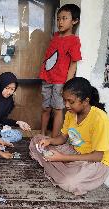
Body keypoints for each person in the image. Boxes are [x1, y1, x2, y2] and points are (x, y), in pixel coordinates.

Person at [29, 77, 109, 195]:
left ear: (85, 101)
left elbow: (98, 156)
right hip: (75, 151)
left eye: (71, 102)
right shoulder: (71, 113)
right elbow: (63, 138)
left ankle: (59, 167)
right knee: (37, 140)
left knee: (70, 182)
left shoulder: (100, 119)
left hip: (96, 163)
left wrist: (62, 157)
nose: (66, 105)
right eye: (65, 100)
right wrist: (49, 141)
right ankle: (60, 166)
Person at [39, 4, 82, 137]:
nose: (60, 22)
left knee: (58, 110)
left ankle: (54, 138)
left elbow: (74, 63)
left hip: (60, 81)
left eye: (64, 18)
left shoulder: (74, 40)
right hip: (47, 78)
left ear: (74, 21)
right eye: (58, 19)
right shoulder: (56, 36)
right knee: (45, 108)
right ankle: (42, 133)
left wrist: (67, 84)